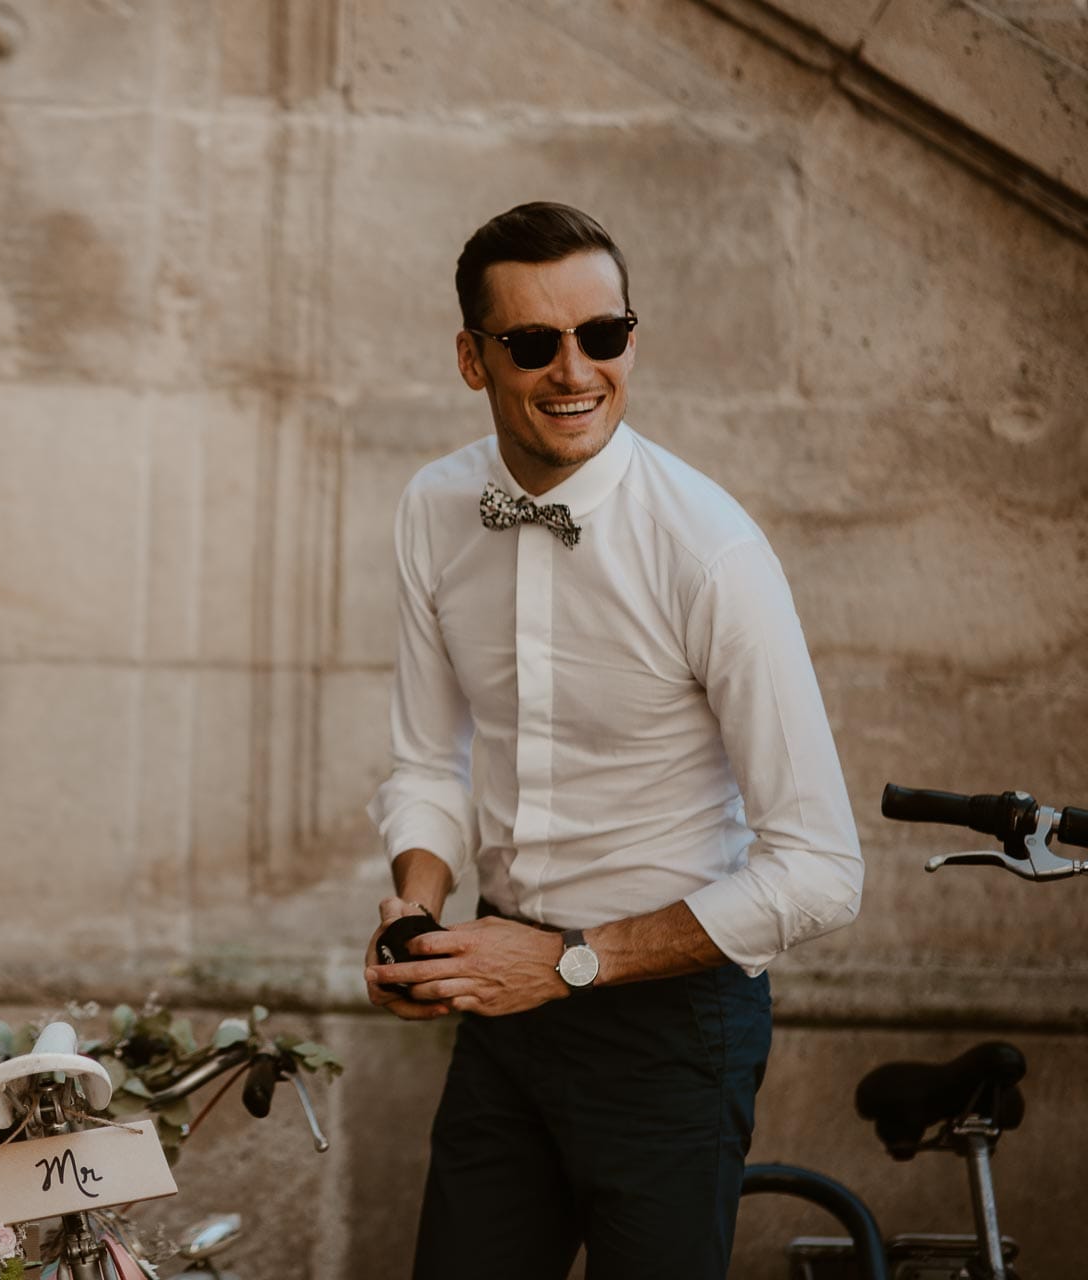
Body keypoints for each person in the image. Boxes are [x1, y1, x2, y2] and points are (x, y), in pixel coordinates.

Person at [362, 203, 864, 1280]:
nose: (573, 369)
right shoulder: (432, 507)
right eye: (532, 343)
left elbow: (819, 871)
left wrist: (569, 964)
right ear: (471, 357)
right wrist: (412, 904)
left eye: (603, 334)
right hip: (499, 1002)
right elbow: (425, 761)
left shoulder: (711, 551)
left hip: (671, 1025)